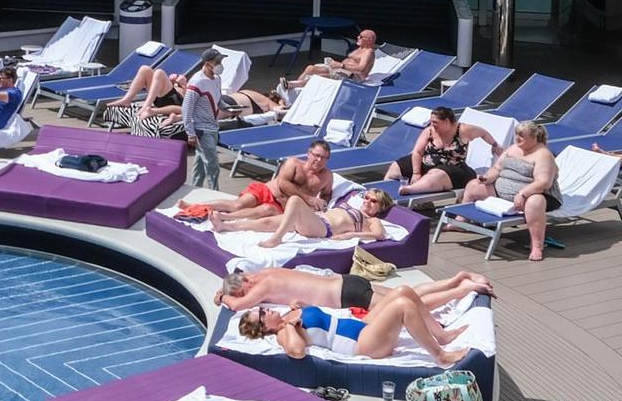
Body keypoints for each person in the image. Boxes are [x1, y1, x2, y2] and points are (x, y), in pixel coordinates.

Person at [236, 289, 469, 367]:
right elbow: (297, 352)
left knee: (403, 291)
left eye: (264, 309)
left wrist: (301, 308)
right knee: (403, 306)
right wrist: (287, 327)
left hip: (362, 326)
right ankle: (441, 356)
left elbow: (318, 319)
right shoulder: (283, 334)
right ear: (264, 329)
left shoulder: (289, 314)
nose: (267, 310)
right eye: (263, 315)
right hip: (364, 344)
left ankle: (441, 335)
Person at [458, 120, 560, 261]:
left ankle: (536, 246)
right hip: (502, 192)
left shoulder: (543, 155)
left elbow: (543, 183)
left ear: (534, 138)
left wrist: (523, 194)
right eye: (516, 134)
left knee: (535, 201)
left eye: (522, 136)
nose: (517, 138)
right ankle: (460, 221)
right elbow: (497, 169)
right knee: (473, 185)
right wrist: (486, 178)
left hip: (535, 195)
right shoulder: (513, 149)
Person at [216, 266, 492, 314]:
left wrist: (224, 297)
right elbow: (239, 281)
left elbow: (240, 305)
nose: (246, 297)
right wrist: (227, 287)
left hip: (346, 296)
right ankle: (457, 279)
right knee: (410, 292)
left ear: (245, 285)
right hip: (348, 282)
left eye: (241, 291)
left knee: (415, 305)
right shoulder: (268, 272)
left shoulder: (263, 285)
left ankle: (462, 289)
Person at [202, 141, 335, 229]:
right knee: (238, 205)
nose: (319, 160)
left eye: (324, 157)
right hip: (267, 191)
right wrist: (309, 199)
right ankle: (195, 206)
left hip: (281, 206)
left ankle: (223, 218)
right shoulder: (293, 163)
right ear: (309, 154)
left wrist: (323, 203)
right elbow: (283, 184)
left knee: (265, 211)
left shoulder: (327, 176)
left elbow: (327, 194)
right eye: (316, 155)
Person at [385, 106, 500, 195]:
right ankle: (383, 189)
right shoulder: (430, 131)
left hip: (455, 169)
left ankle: (410, 190)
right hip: (427, 163)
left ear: (447, 121)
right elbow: (417, 152)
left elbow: (483, 133)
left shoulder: (464, 130)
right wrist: (416, 173)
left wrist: (494, 145)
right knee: (397, 166)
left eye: (435, 122)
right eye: (431, 121)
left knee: (436, 175)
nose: (432, 124)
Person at [253, 188, 394, 248]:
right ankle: (230, 225)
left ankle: (277, 238)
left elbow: (379, 234)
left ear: (381, 207)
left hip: (323, 228)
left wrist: (350, 235)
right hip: (315, 219)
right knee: (267, 222)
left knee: (295, 200)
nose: (367, 201)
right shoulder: (353, 207)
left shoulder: (372, 220)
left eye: (373, 201)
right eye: (367, 197)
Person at [183, 51, 223, 189]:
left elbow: (218, 98)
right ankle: (215, 193)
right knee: (213, 166)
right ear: (207, 64)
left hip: (213, 127)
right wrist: (191, 133)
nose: (220, 65)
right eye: (217, 62)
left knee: (200, 166)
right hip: (202, 130)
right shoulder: (197, 82)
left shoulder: (217, 78)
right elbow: (186, 109)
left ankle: (194, 190)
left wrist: (230, 108)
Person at [290, 29, 377, 88]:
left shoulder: (368, 52)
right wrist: (336, 64)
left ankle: (293, 85)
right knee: (310, 68)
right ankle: (294, 86)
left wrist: (341, 65)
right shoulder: (360, 48)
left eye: (361, 36)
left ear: (369, 40)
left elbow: (361, 69)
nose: (358, 37)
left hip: (351, 77)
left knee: (319, 77)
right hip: (340, 70)